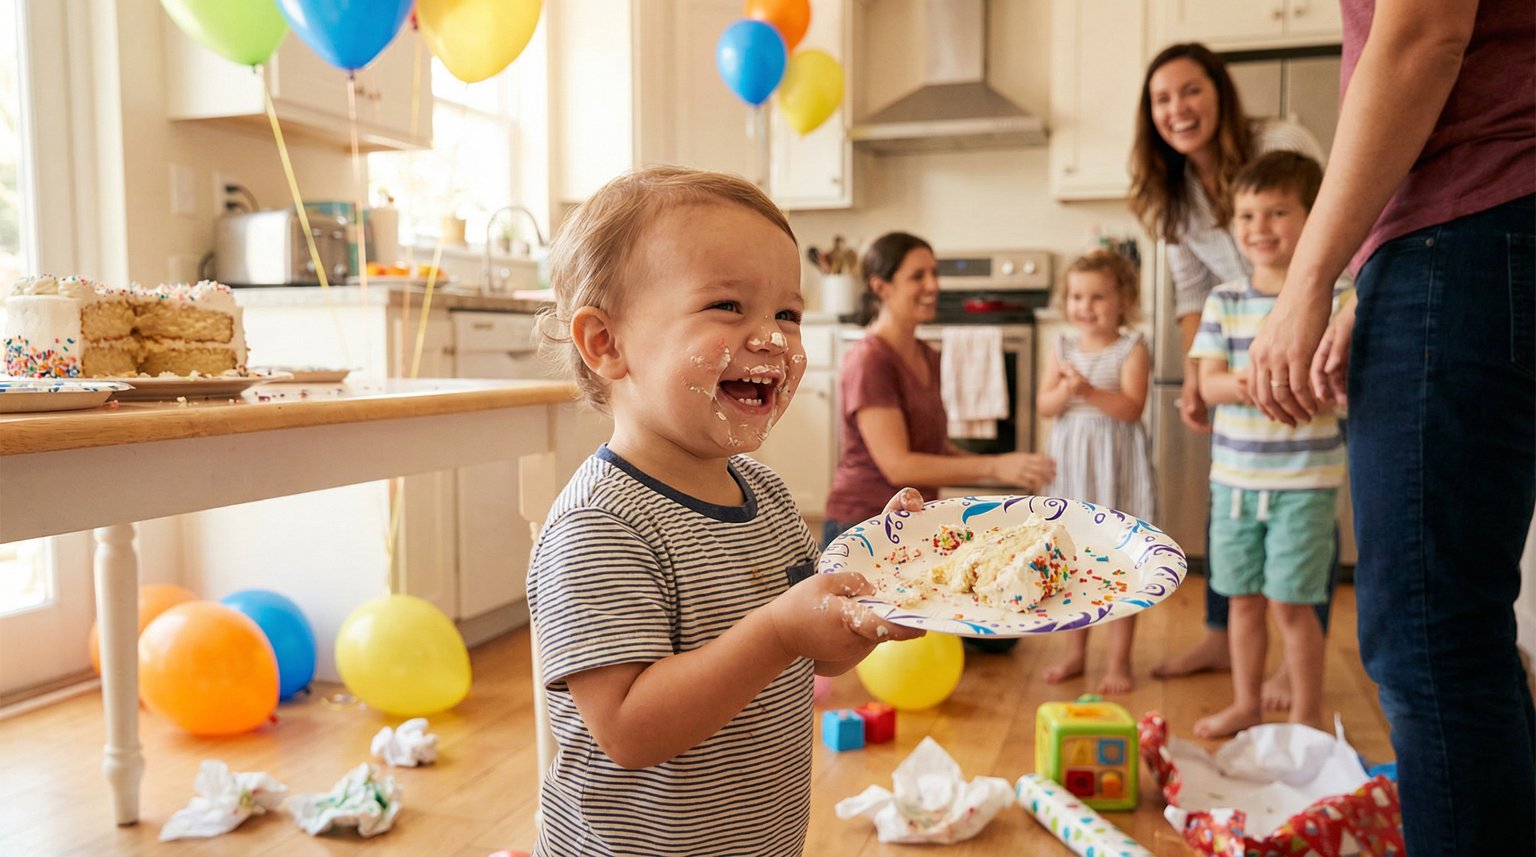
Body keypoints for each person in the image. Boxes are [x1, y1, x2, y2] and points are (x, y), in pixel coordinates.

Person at [526, 165, 925, 856]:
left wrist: (879, 584)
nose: (772, 338)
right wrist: (778, 632)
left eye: (787, 313)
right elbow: (627, 728)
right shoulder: (599, 525)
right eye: (729, 307)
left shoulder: (766, 495)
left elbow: (811, 645)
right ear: (606, 343)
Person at [1245, 2, 1533, 852]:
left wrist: (1308, 280)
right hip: (1472, 233)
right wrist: (1368, 278)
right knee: (1467, 629)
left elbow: (1421, 36)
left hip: (1462, 228)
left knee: (1431, 643)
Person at [1129, 42, 1338, 701]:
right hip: (1239, 328)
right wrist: (1199, 376)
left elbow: (1333, 218)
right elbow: (1192, 291)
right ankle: (1224, 636)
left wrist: (1323, 311)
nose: (1178, 109)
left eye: (1190, 90)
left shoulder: (1278, 139)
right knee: (1237, 511)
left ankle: (1293, 659)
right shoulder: (1172, 191)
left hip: (1307, 310)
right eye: (1162, 99)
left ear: (1218, 90)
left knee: (1302, 509)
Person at [1183, 152, 1345, 738]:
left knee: (1292, 605)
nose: (1260, 227)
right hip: (1234, 485)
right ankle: (1247, 705)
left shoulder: (1336, 297)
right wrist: (1271, 381)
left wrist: (1264, 382)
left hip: (1304, 485)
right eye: (1248, 214)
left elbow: (1340, 386)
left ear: (1314, 217)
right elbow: (1208, 383)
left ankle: (1305, 717)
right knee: (1242, 602)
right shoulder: (1224, 301)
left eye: (1278, 212)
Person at [823, 231, 1056, 545]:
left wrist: (1008, 467)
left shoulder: (927, 354)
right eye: (918, 276)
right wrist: (995, 467)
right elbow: (899, 466)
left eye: (934, 273)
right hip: (865, 522)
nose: (933, 285)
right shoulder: (870, 360)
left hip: (912, 517)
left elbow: (931, 447)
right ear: (881, 287)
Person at [1035, 249, 1155, 693]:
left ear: (1123, 299)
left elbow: (1131, 407)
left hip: (1116, 465)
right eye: (1077, 296)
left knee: (1120, 561)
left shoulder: (1132, 347)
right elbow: (1044, 406)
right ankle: (1074, 654)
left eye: (1098, 297)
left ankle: (1119, 662)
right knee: (1072, 557)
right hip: (1072, 466)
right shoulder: (1061, 347)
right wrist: (1066, 392)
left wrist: (1087, 389)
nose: (1085, 307)